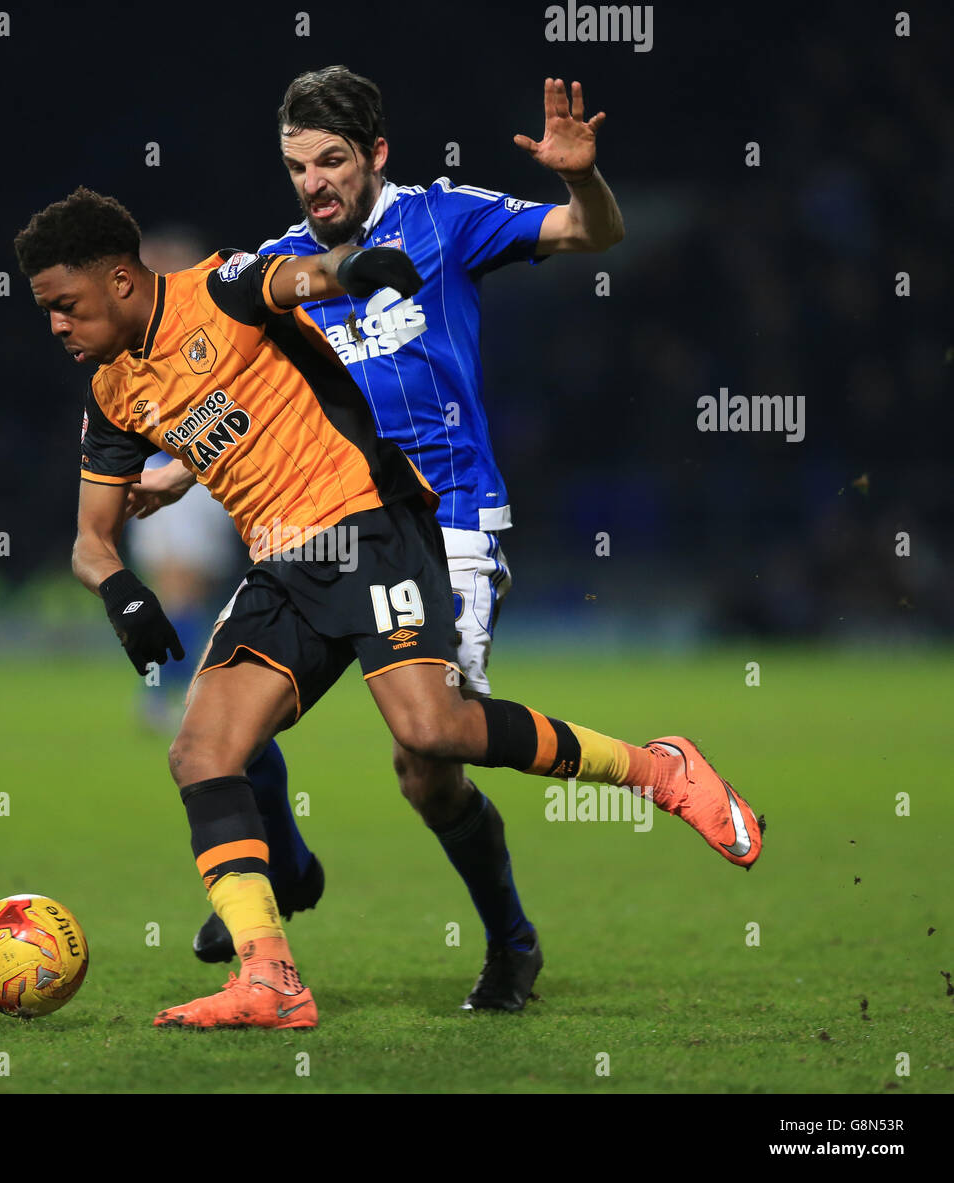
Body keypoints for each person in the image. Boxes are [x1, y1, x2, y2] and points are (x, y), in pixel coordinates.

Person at [14, 187, 764, 1030]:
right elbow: (91, 541)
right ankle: (271, 979)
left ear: (121, 280)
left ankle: (660, 769)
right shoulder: (114, 394)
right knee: (200, 752)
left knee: (433, 734)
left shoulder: (218, 290)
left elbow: (299, 279)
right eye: (47, 312)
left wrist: (353, 267)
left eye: (64, 307)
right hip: (282, 566)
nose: (56, 328)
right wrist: (123, 594)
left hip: (371, 527)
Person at [129, 69, 623, 1010]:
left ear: (377, 156)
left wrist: (582, 180)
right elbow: (247, 395)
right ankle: (279, 867)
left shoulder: (442, 221)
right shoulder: (277, 267)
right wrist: (181, 468)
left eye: (332, 161)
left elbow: (590, 233)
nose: (314, 182)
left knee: (427, 770)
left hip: (446, 524)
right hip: (318, 525)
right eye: (296, 165)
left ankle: (511, 939)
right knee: (219, 729)